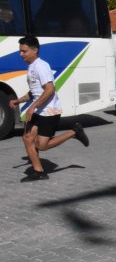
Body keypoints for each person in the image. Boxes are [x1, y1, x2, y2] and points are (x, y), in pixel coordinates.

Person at [10, 36, 89, 181]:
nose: (21, 54)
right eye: (20, 51)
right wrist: (18, 101)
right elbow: (34, 92)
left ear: (35, 50)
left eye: (24, 51)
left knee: (42, 146)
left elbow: (49, 89)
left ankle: (73, 132)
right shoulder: (32, 67)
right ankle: (39, 172)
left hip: (49, 111)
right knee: (27, 138)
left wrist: (32, 106)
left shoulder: (41, 66)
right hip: (39, 110)